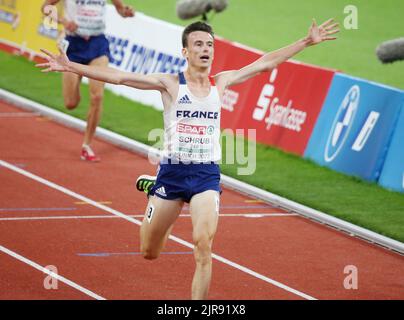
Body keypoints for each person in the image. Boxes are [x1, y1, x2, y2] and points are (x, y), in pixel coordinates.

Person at [36, 18, 339, 299]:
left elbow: (264, 64)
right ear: (185, 51)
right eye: (198, 44)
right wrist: (73, 66)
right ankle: (153, 191)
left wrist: (306, 41)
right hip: (171, 174)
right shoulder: (169, 84)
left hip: (206, 176)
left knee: (203, 245)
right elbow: (120, 77)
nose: (205, 49)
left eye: (209, 45)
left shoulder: (221, 82)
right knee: (149, 251)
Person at [41, 0, 135, 162]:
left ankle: (86, 145)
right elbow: (46, 7)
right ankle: (76, 80)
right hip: (73, 45)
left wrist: (126, 12)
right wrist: (64, 21)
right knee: (70, 103)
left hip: (97, 45)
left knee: (97, 96)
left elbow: (120, 9)